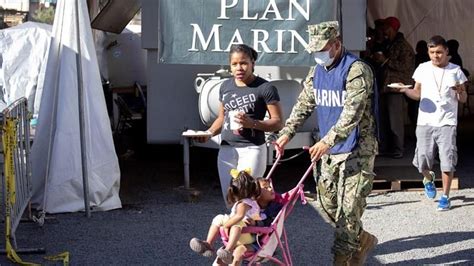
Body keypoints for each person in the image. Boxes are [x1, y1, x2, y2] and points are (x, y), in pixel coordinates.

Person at [275, 21, 379, 265]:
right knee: (326, 206)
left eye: (322, 48)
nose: (318, 54)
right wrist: (287, 133)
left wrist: (328, 140)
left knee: (348, 215)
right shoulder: (317, 71)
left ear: (336, 44)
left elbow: (351, 114)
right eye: (315, 50)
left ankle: (345, 258)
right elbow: (304, 104)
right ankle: (362, 239)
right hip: (330, 152)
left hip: (356, 150)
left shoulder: (356, 70)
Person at [193, 44, 284, 204]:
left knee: (245, 200)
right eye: (234, 64)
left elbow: (278, 122)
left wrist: (252, 124)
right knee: (230, 199)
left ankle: (252, 229)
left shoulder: (265, 88)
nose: (239, 68)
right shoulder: (225, 86)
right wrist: (208, 134)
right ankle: (235, 229)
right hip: (227, 149)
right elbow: (222, 118)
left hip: (252, 148)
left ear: (253, 64)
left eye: (243, 63)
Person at [395, 35, 467, 211]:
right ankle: (428, 178)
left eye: (440, 52)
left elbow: (463, 98)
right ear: (428, 51)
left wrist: (459, 92)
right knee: (422, 160)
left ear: (446, 52)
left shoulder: (456, 71)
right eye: (432, 52)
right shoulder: (422, 68)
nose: (436, 56)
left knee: (447, 159)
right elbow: (417, 94)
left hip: (447, 122)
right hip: (425, 120)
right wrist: (405, 89)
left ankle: (445, 196)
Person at [189, 169, 263, 265]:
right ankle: (208, 244)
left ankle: (227, 250)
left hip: (247, 235)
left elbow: (239, 216)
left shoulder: (244, 204)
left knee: (236, 223)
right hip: (241, 234)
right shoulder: (248, 203)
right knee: (219, 218)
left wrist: (225, 226)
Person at [374, 16, 415, 158]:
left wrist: (385, 60)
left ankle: (398, 149)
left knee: (395, 122)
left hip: (396, 89)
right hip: (384, 88)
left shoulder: (403, 46)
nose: (384, 31)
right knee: (384, 121)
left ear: (394, 28)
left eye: (387, 28)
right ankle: (386, 147)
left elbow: (406, 66)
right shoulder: (388, 44)